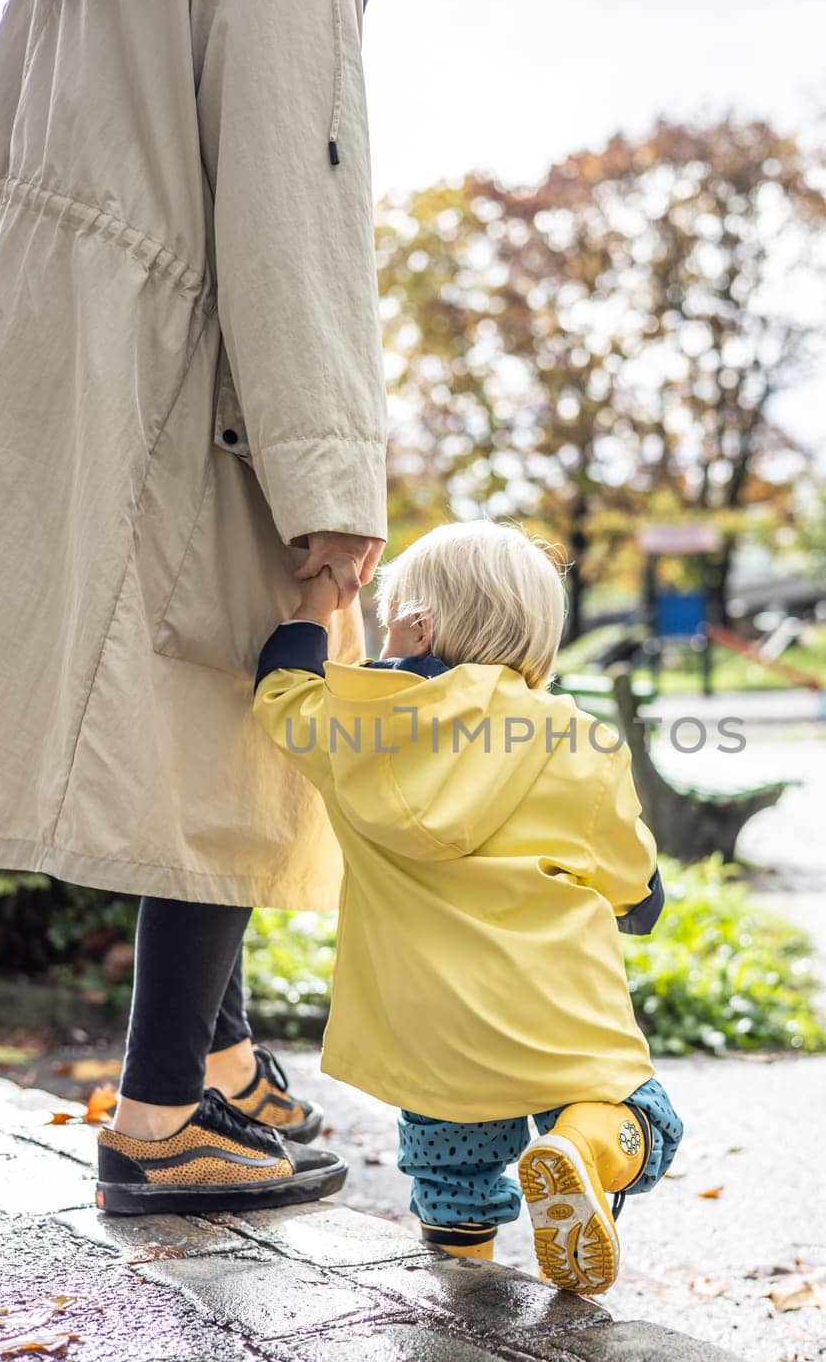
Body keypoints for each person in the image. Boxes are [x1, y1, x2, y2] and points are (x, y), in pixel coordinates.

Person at [0, 0, 387, 1210]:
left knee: (172, 713)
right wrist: (327, 471)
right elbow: (291, 199)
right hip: (190, 352)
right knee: (240, 707)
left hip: (55, 340)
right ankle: (160, 1121)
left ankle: (224, 1063)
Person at [242, 521, 683, 1295]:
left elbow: (281, 689)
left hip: (427, 1024)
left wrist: (316, 606)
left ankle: (462, 1283)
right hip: (551, 1005)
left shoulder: (360, 733)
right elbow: (626, 869)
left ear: (418, 624)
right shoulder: (571, 735)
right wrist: (638, 897)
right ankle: (583, 1148)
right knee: (637, 1112)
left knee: (452, 1159)